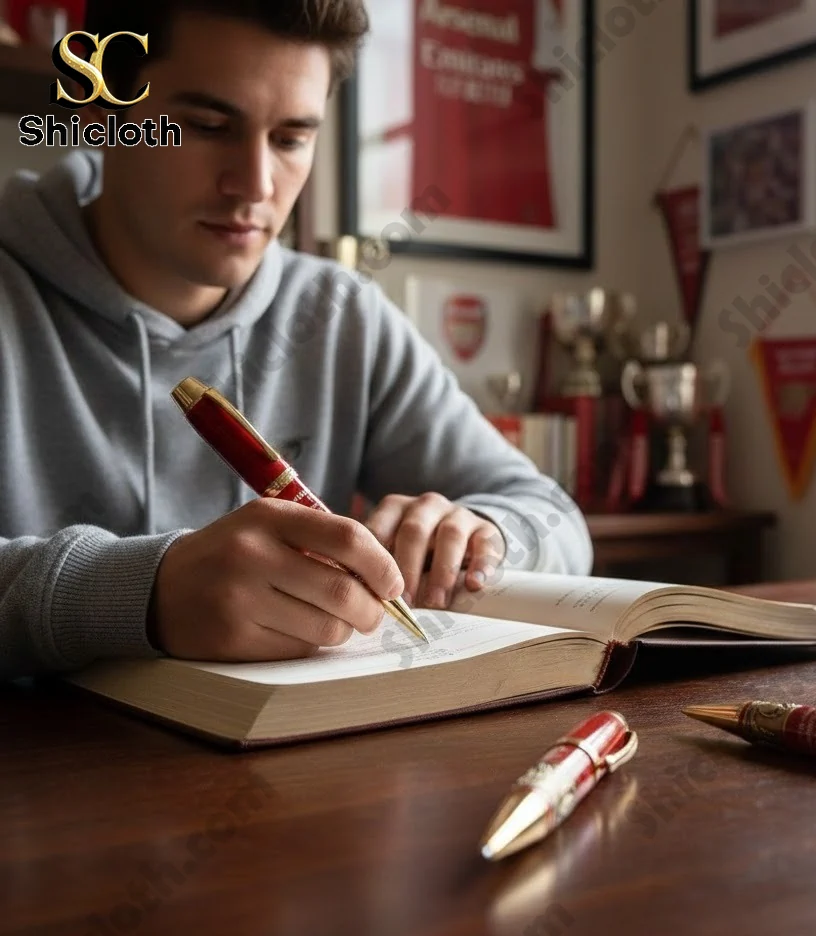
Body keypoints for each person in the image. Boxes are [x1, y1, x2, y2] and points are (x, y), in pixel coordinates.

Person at [0, 0, 592, 682]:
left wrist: (483, 536)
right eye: (208, 125)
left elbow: (555, 517)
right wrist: (141, 594)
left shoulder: (341, 317)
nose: (254, 186)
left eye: (290, 139)